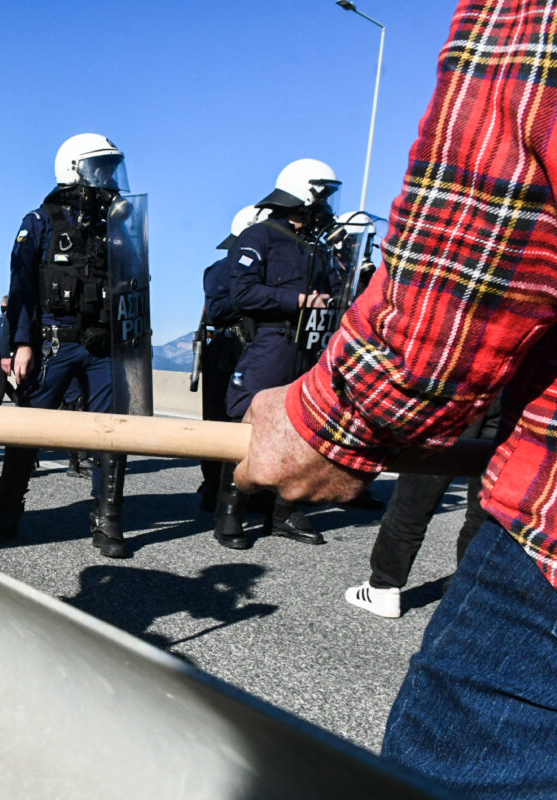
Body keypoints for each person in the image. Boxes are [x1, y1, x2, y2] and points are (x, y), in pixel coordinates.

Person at [235, 1, 557, 794]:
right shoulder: (259, 237)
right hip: (315, 369)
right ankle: (255, 525)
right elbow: (231, 300)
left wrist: (350, 415)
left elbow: (493, 213)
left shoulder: (318, 243)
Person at [0, 134, 134, 559]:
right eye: (98, 167)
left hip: (104, 346)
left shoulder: (117, 226)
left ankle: (107, 521)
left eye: (110, 167)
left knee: (110, 434)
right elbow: (22, 285)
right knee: (26, 432)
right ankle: (5, 515)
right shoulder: (40, 220)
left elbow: (134, 282)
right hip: (53, 342)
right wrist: (22, 342)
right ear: (73, 169)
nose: (107, 176)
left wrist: (135, 341)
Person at [213, 159, 341, 550]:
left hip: (310, 347)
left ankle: (285, 511)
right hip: (273, 343)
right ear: (304, 192)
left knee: (303, 428)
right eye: (323, 193)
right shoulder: (261, 237)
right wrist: (298, 300)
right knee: (248, 426)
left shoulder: (322, 246)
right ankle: (230, 512)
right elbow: (244, 294)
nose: (327, 203)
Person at [345, 398, 500, 618]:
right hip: (512, 391)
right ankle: (465, 591)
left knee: (415, 496)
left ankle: (383, 586)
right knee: (483, 506)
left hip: (461, 388)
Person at [195, 205, 266, 512]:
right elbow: (218, 310)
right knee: (218, 420)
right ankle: (213, 486)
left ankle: (254, 486)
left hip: (257, 348)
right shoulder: (220, 270)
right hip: (227, 348)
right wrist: (256, 298)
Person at [0, 295, 16, 406]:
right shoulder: (11, 317)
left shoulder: (5, 319)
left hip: (2, 354)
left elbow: (0, 338)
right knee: (2, 382)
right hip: (11, 352)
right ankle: (19, 400)